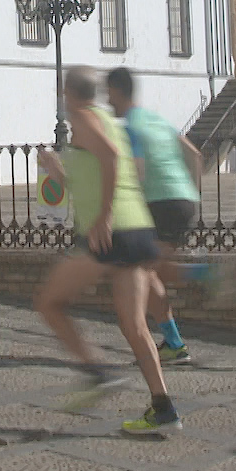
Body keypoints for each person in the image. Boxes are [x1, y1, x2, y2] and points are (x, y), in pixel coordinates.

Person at [35, 66, 175, 434]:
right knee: (134, 323)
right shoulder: (105, 119)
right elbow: (91, 175)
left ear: (68, 92)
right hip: (138, 229)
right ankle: (163, 406)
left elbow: (111, 156)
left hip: (109, 233)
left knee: (49, 303)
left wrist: (104, 217)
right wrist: (55, 169)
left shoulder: (81, 117)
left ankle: (97, 373)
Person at [107, 66, 206, 365]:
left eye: (108, 93)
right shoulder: (158, 120)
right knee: (150, 271)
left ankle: (203, 277)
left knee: (140, 271)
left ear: (117, 92)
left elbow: (136, 170)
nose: (107, 99)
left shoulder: (129, 127)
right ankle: (173, 342)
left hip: (158, 203)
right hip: (184, 199)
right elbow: (195, 156)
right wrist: (192, 196)